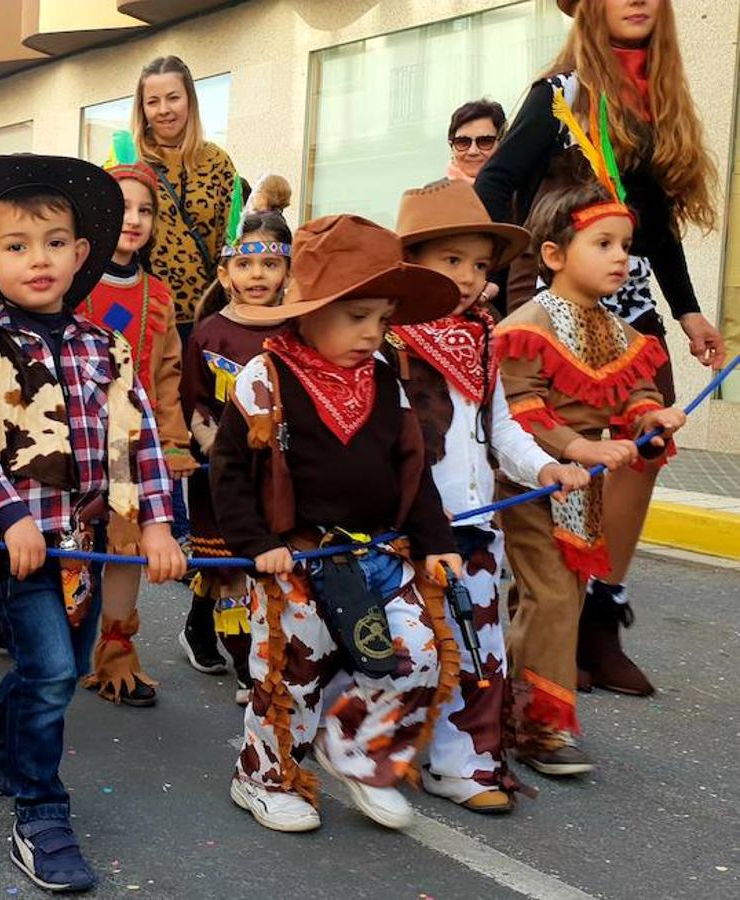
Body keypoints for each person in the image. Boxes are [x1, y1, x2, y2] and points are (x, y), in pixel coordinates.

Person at [0, 153, 185, 892]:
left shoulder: (104, 346)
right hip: (18, 547)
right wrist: (7, 514)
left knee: (66, 672)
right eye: (16, 246)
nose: (36, 260)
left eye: (53, 243)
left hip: (89, 549)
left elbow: (135, 439)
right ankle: (41, 811)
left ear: (80, 254)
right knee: (46, 670)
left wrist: (160, 527)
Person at [475, 0, 723, 696]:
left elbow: (656, 225)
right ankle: (551, 609)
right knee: (561, 452)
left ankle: (598, 615)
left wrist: (688, 312)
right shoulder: (559, 95)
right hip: (561, 298)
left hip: (633, 302)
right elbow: (495, 181)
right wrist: (514, 273)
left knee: (643, 450)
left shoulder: (657, 100)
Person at [209, 214, 462, 834]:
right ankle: (262, 777)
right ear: (309, 309)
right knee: (293, 672)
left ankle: (356, 751)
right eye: (357, 317)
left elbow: (414, 468)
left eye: (382, 319)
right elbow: (229, 471)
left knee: (421, 653)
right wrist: (257, 545)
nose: (372, 334)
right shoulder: (264, 378)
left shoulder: (385, 380)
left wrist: (436, 543)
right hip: (296, 558)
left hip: (379, 552)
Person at [385, 179, 590, 813]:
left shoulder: (482, 340)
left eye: (478, 264)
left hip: (475, 528)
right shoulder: (386, 345)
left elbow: (500, 428)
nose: (469, 278)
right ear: (411, 267)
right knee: (406, 650)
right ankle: (354, 746)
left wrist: (544, 467)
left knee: (481, 649)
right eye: (451, 262)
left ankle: (464, 764)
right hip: (410, 531)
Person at [494, 180, 684, 777]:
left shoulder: (619, 331)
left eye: (624, 245)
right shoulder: (526, 325)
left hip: (586, 488)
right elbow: (519, 406)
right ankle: (538, 728)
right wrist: (576, 448)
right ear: (554, 256)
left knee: (557, 597)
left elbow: (637, 395)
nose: (621, 258)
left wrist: (652, 418)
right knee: (550, 596)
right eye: (603, 244)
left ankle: (505, 703)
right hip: (535, 482)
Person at [77, 133, 196, 708]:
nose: (134, 219)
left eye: (145, 210)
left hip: (132, 444)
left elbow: (166, 376)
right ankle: (44, 634)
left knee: (124, 546)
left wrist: (171, 443)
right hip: (73, 436)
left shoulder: (159, 294)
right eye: (122, 207)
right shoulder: (72, 284)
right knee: (67, 544)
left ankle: (116, 655)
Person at [179, 210, 291, 703]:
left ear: (288, 271)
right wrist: (216, 448)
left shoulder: (299, 330)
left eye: (270, 263)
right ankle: (247, 665)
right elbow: (194, 404)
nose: (258, 275)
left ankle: (269, 654)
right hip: (218, 475)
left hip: (280, 475)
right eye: (246, 265)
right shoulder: (207, 335)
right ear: (225, 274)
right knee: (228, 570)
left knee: (267, 568)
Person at [132, 55, 237, 543]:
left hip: (207, 314)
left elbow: (227, 239)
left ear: (189, 100)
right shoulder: (131, 164)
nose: (163, 110)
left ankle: (211, 524)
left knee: (207, 417)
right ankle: (169, 521)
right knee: (158, 411)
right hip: (151, 311)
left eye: (172, 97)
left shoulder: (218, 162)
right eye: (153, 100)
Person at [446, 99, 506, 183]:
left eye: (485, 142)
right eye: (463, 142)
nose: (473, 151)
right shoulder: (432, 193)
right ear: (452, 146)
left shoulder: (522, 192)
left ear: (502, 144)